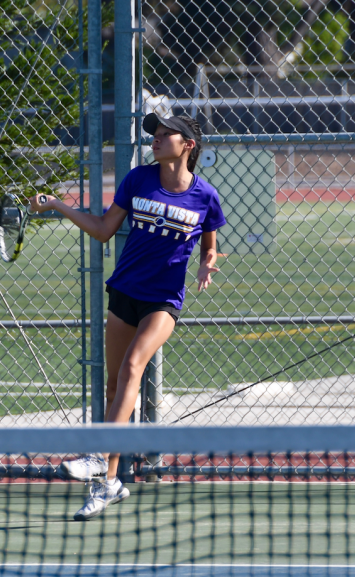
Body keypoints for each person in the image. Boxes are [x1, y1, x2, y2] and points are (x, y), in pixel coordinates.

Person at [28, 113, 226, 521]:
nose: (155, 137)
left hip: (163, 301)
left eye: (165, 133)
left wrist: (208, 263)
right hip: (124, 291)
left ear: (187, 144)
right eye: (154, 132)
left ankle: (99, 454)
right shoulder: (138, 179)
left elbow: (211, 242)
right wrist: (58, 204)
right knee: (115, 382)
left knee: (135, 365)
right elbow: (103, 229)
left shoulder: (205, 195)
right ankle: (109, 484)